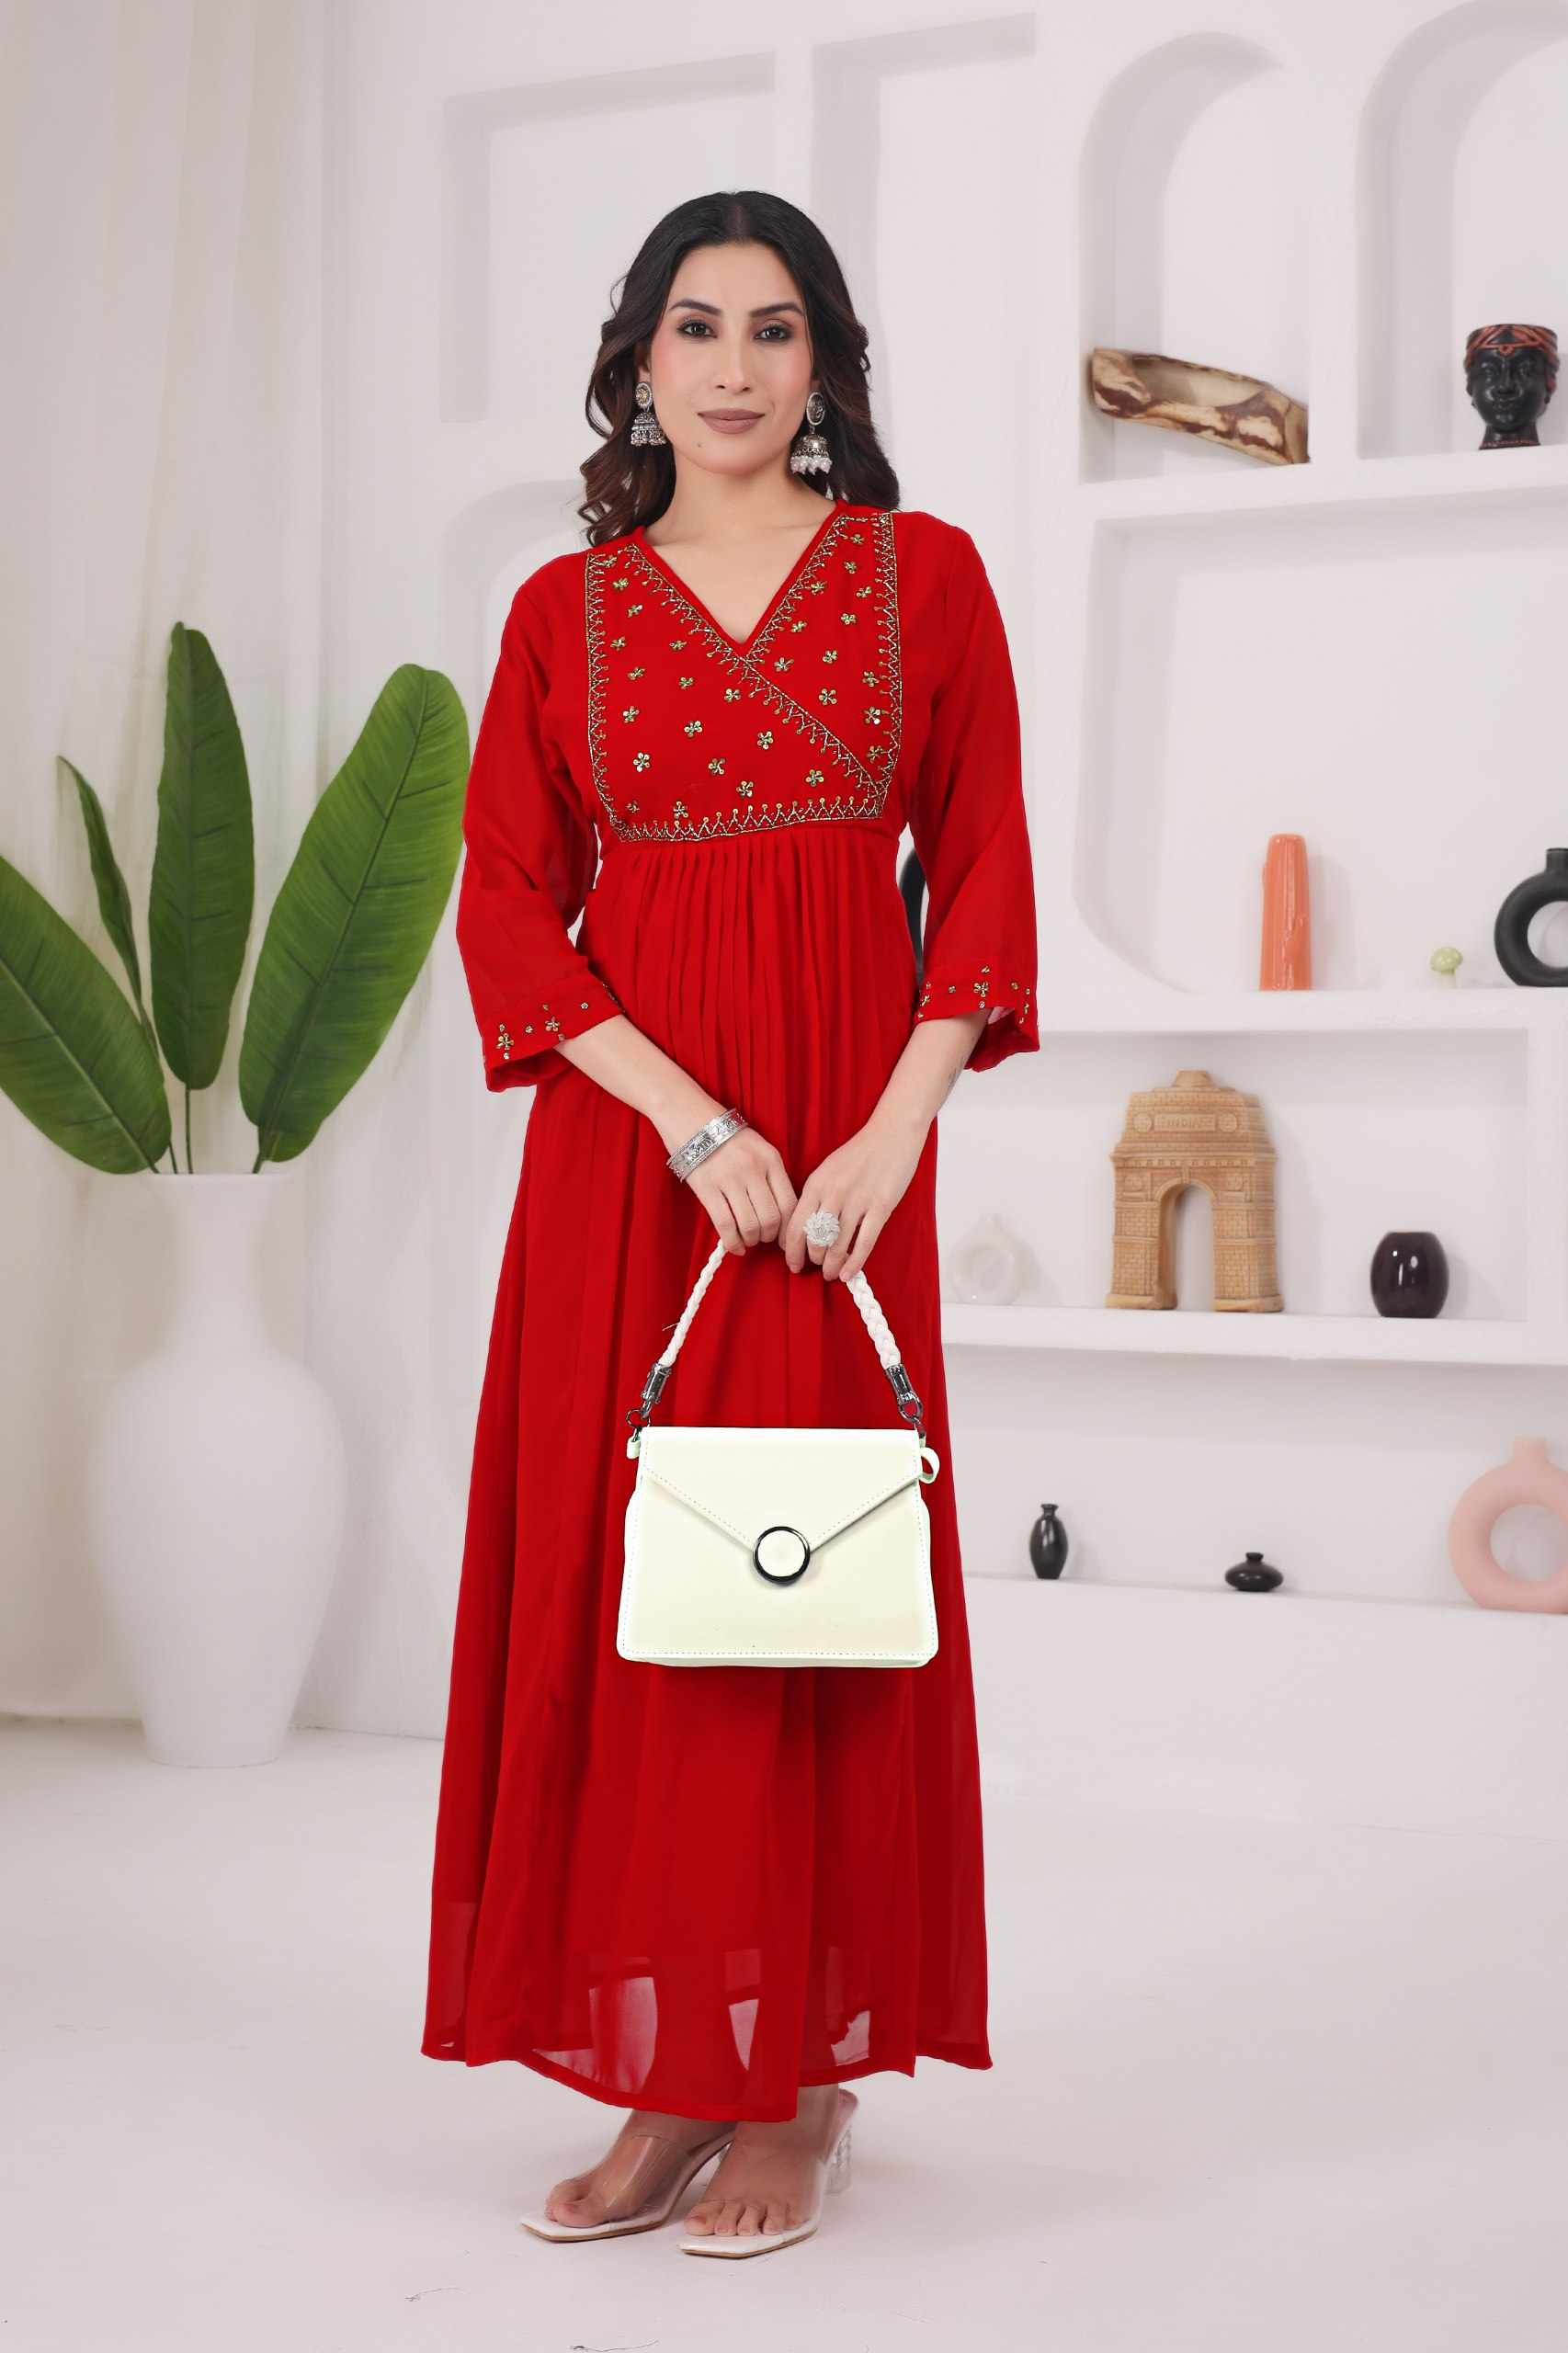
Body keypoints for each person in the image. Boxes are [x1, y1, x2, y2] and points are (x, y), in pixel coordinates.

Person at [422, 189, 1039, 2256]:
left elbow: (982, 870)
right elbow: (507, 903)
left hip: (843, 1168)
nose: (734, 366)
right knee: (646, 1589)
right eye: (696, 326)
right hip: (641, 1157)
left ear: (825, 364)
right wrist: (690, 1120)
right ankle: (676, 2064)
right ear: (638, 360)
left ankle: (798, 2075)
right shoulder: (562, 609)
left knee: (804, 1584)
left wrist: (889, 1135)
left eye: (776, 329)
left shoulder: (922, 577)